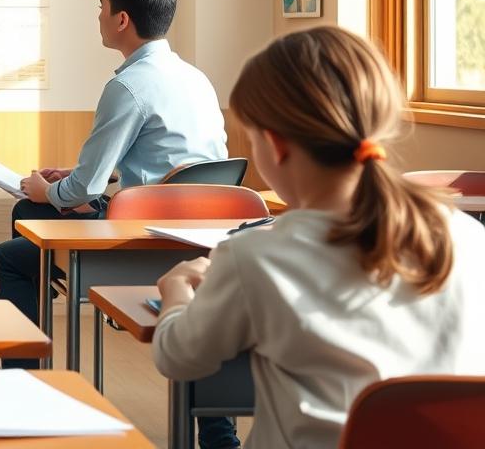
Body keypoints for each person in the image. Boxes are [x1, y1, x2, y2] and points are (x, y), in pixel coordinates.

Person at [153, 26, 485, 448]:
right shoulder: (469, 237)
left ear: (275, 145)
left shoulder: (254, 257)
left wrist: (176, 291)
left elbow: (178, 357)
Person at [0, 0, 234, 448]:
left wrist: (46, 190)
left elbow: (83, 189)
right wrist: (92, 183)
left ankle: (23, 389)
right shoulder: (195, 77)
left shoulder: (128, 86)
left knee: (13, 247)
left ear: (122, 19)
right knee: (42, 215)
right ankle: (219, 435)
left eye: (101, 6)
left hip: (144, 239)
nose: (97, 14)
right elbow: (179, 164)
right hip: (205, 236)